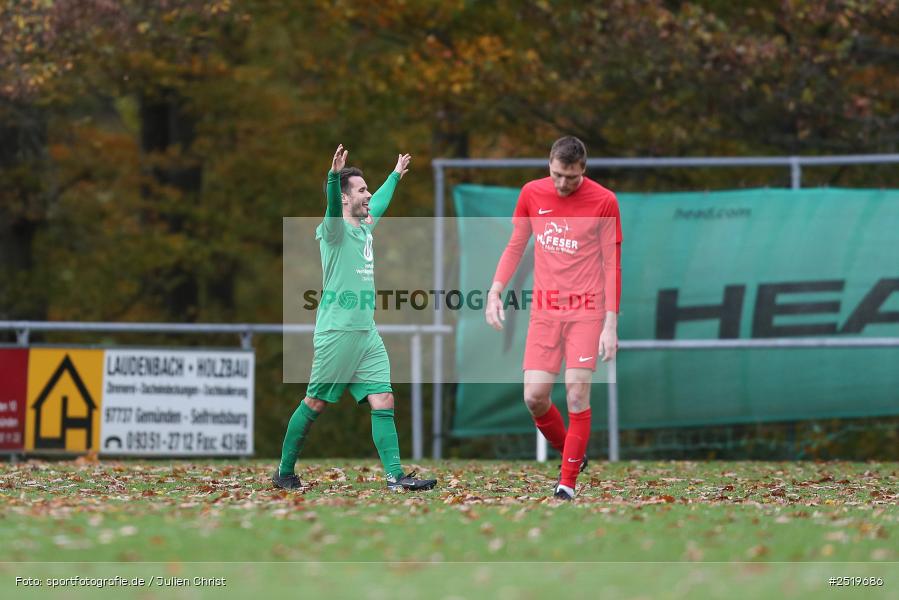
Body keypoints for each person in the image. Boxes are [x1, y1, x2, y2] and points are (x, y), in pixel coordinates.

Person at [273, 144, 437, 492]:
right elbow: (332, 205)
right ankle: (284, 473)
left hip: (366, 334)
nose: (368, 195)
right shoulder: (334, 230)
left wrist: (395, 175)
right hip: (337, 332)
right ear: (346, 199)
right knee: (314, 402)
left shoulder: (364, 226)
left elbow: (380, 204)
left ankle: (395, 478)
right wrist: (334, 177)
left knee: (383, 398)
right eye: (362, 190)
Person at [485, 136, 621, 500]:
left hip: (586, 311)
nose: (563, 184)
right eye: (558, 174)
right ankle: (573, 455)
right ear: (549, 165)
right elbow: (516, 245)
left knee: (577, 394)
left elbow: (612, 265)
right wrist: (496, 289)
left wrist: (611, 324)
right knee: (534, 397)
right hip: (545, 311)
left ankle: (567, 484)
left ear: (583, 170)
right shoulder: (532, 193)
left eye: (572, 178)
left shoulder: (605, 201)